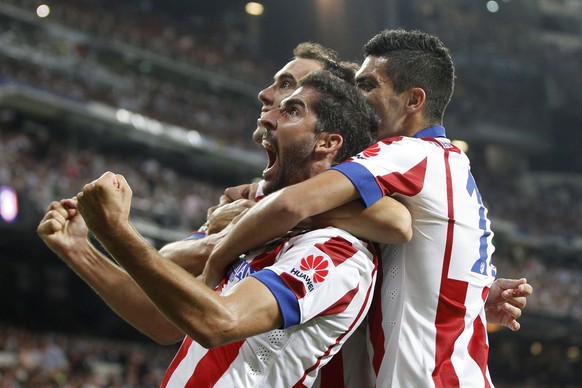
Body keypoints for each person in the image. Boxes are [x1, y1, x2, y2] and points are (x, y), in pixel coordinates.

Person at [205, 29, 532, 387]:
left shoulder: (407, 152)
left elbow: (292, 203)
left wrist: (218, 256)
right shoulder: (451, 165)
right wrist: (477, 296)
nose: (357, 98)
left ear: (412, 101)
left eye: (367, 86)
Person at [70, 71, 409, 386]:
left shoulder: (338, 251)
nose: (266, 117)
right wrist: (79, 248)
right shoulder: (267, 233)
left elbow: (218, 322)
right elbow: (166, 319)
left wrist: (115, 230)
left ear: (327, 143)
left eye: (292, 111)